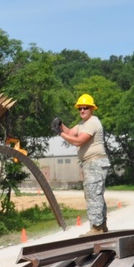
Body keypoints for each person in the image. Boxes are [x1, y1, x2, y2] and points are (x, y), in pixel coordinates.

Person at [52, 94, 109, 235]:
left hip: (95, 162)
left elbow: (78, 141)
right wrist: (61, 125)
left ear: (92, 109)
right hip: (91, 163)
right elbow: (71, 132)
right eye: (80, 108)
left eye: (85, 108)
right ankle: (101, 227)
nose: (82, 110)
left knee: (93, 194)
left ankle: (96, 228)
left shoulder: (93, 122)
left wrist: (60, 133)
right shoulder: (83, 123)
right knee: (94, 194)